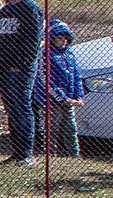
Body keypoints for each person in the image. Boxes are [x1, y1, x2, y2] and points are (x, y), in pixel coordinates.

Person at [0, 0, 44, 166]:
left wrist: (20, 65)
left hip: (19, 69)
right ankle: (17, 152)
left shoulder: (29, 8)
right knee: (11, 108)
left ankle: (26, 153)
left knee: (22, 107)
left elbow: (32, 41)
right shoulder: (6, 10)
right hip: (3, 67)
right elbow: (2, 34)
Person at [33, 20, 85, 162]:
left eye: (65, 38)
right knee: (52, 129)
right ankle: (50, 156)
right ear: (52, 38)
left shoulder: (70, 54)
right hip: (51, 100)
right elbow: (44, 79)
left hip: (69, 99)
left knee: (71, 129)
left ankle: (74, 156)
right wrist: (60, 97)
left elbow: (76, 76)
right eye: (59, 38)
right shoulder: (46, 54)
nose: (62, 41)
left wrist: (79, 95)